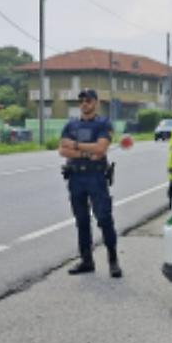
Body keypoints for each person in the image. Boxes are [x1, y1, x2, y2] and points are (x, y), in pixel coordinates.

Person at [59, 89, 121, 278]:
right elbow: (62, 150)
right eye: (81, 100)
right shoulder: (71, 124)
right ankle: (87, 260)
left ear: (96, 102)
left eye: (88, 100)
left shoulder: (103, 124)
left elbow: (101, 149)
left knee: (104, 218)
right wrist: (87, 153)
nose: (84, 103)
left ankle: (113, 261)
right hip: (76, 177)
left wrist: (75, 146)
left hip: (96, 178)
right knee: (82, 220)